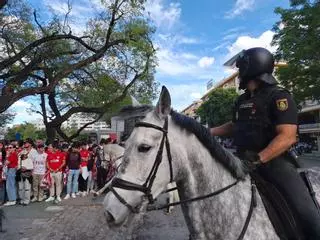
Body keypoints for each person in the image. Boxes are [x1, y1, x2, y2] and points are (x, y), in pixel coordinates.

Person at [209, 47, 320, 239]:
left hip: (274, 162)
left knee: (306, 213)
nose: (239, 71)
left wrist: (258, 159)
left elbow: (287, 136)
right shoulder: (241, 100)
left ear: (252, 67)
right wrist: (206, 132)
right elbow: (234, 126)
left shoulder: (279, 96)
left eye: (241, 66)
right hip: (242, 158)